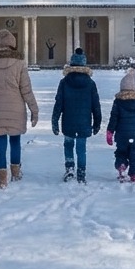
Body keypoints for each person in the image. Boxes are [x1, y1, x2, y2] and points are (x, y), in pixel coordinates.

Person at [0, 28, 39, 189]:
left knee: (0, 144)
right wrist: (34, 110)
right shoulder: (19, 64)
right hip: (16, 110)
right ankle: (16, 172)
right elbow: (26, 90)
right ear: (13, 45)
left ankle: (1, 179)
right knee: (15, 141)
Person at [51, 47, 101, 184]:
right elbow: (96, 105)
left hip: (68, 121)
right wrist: (97, 122)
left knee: (68, 144)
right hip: (84, 121)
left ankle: (70, 168)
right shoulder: (90, 84)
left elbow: (58, 103)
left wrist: (54, 121)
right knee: (81, 148)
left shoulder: (64, 82)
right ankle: (81, 171)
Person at [105, 67, 135, 183]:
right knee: (134, 155)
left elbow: (113, 118)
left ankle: (121, 166)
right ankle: (134, 175)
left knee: (121, 152)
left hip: (121, 135)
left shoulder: (118, 102)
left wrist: (110, 132)